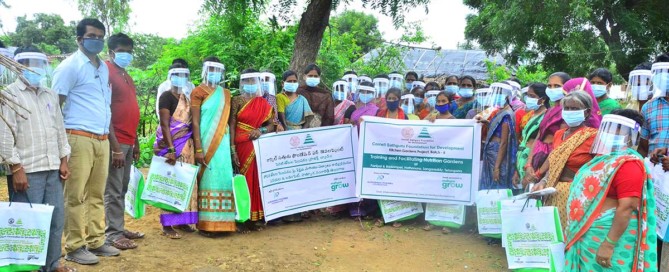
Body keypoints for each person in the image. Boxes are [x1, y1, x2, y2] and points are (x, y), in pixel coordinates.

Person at [52, 18, 121, 264]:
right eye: (92, 36)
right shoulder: (70, 66)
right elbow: (55, 106)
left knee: (96, 194)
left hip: (101, 138)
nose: (97, 41)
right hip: (78, 137)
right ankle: (74, 246)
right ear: (79, 39)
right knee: (75, 195)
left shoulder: (102, 67)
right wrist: (60, 146)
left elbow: (104, 104)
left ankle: (96, 240)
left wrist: (111, 144)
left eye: (101, 36)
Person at [1, 47, 75, 272]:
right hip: (27, 170)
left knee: (54, 221)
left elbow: (59, 130)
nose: (33, 67)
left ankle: (52, 265)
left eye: (38, 63)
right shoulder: (9, 95)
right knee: (27, 223)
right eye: (28, 62)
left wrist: (64, 160)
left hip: (53, 167)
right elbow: (4, 136)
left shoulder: (50, 94)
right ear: (17, 65)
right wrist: (16, 168)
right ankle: (26, 267)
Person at [564, 110, 657, 271]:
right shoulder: (604, 158)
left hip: (606, 235)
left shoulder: (629, 164)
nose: (609, 133)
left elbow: (627, 206)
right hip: (588, 233)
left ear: (630, 135)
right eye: (607, 128)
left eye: (617, 129)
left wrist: (609, 244)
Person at [531, 90, 599, 229]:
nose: (569, 111)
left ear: (586, 112)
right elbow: (555, 162)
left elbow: (597, 171)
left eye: (574, 108)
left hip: (577, 195)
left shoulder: (593, 137)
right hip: (552, 192)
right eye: (567, 108)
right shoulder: (559, 134)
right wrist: (543, 181)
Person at [103, 33, 144, 250]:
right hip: (116, 141)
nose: (126, 55)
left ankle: (117, 226)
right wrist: (115, 147)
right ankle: (112, 234)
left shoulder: (126, 75)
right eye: (122, 51)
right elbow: (105, 111)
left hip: (129, 139)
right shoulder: (106, 72)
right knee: (113, 187)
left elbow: (131, 109)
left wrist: (136, 141)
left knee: (123, 186)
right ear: (111, 52)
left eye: (129, 51)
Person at [189, 57, 237, 237]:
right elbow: (195, 122)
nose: (214, 73)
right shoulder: (198, 92)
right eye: (211, 69)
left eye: (218, 70)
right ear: (205, 70)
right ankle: (207, 224)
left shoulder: (225, 93)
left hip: (222, 143)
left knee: (224, 176)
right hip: (205, 140)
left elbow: (228, 121)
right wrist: (199, 149)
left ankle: (225, 223)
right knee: (209, 178)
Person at [154, 64, 198, 239]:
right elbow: (165, 124)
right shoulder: (166, 96)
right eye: (177, 74)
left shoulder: (185, 98)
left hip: (186, 145)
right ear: (170, 76)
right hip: (172, 146)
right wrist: (171, 149)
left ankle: (182, 220)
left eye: (184, 75)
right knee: (170, 184)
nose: (180, 78)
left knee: (185, 182)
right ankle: (168, 224)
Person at [231, 69, 275, 230]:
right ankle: (242, 217)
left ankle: (255, 217)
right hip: (241, 144)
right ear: (242, 83)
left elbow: (272, 125)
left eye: (253, 81)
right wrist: (233, 149)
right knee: (243, 180)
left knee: (256, 179)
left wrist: (261, 131)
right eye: (247, 81)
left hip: (257, 145)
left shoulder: (264, 103)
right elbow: (232, 125)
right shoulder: (236, 101)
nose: (250, 84)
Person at [477, 83, 517, 190]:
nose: (496, 96)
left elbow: (504, 142)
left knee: (497, 183)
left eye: (500, 94)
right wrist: (487, 122)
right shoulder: (501, 112)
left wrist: (497, 168)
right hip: (492, 152)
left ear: (507, 97)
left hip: (497, 153)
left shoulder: (507, 115)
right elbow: (497, 129)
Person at [513, 83, 549, 186]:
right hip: (521, 157)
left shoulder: (546, 117)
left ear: (542, 100)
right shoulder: (530, 115)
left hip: (532, 160)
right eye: (528, 95)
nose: (528, 98)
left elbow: (538, 142)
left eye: (532, 96)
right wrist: (516, 169)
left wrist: (529, 164)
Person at [639, 60, 669, 158]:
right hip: (654, 170)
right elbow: (643, 148)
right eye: (660, 73)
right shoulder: (648, 107)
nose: (665, 77)